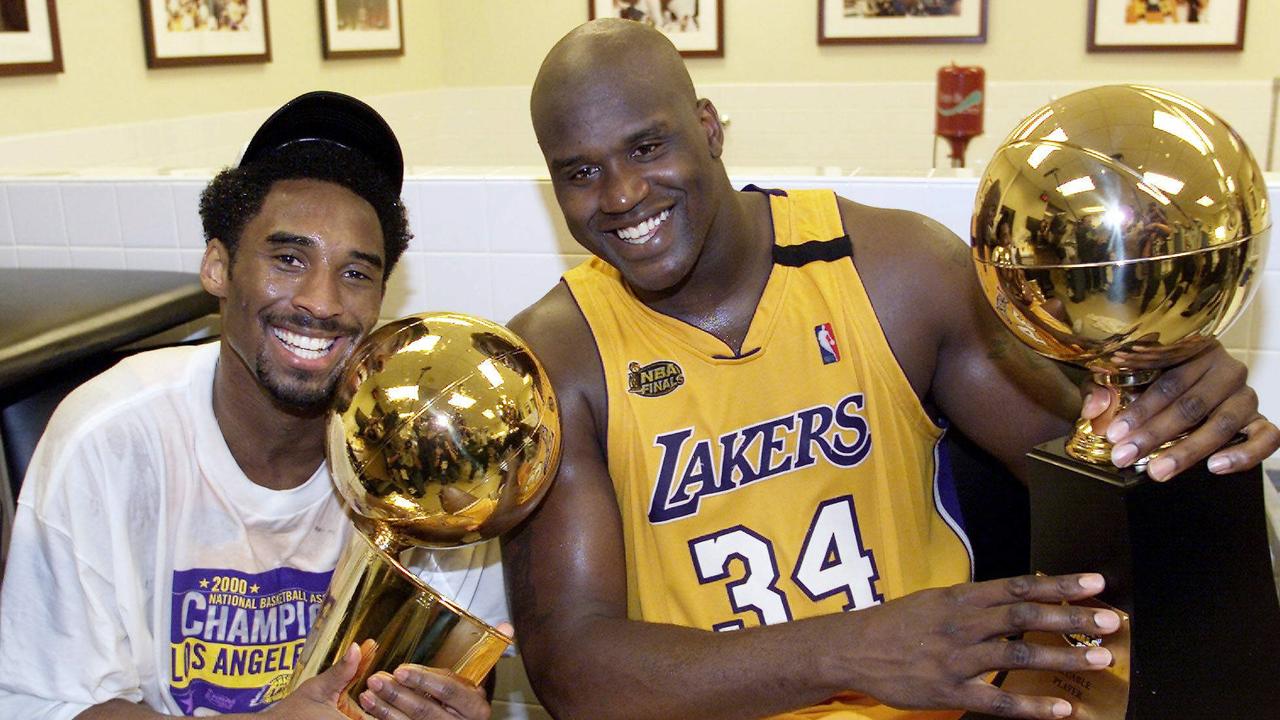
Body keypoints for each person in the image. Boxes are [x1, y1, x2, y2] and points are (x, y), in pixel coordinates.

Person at [501, 19, 1280, 720]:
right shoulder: (555, 359)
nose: (623, 195)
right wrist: (851, 650)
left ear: (708, 128)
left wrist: (1167, 393)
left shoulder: (896, 271)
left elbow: (1092, 461)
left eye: (646, 147)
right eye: (580, 173)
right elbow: (574, 667)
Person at [0, 91, 503, 720]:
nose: (321, 302)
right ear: (217, 266)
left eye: (355, 273)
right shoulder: (110, 437)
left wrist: (455, 705)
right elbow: (53, 704)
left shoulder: (423, 456)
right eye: (289, 259)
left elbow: (453, 670)